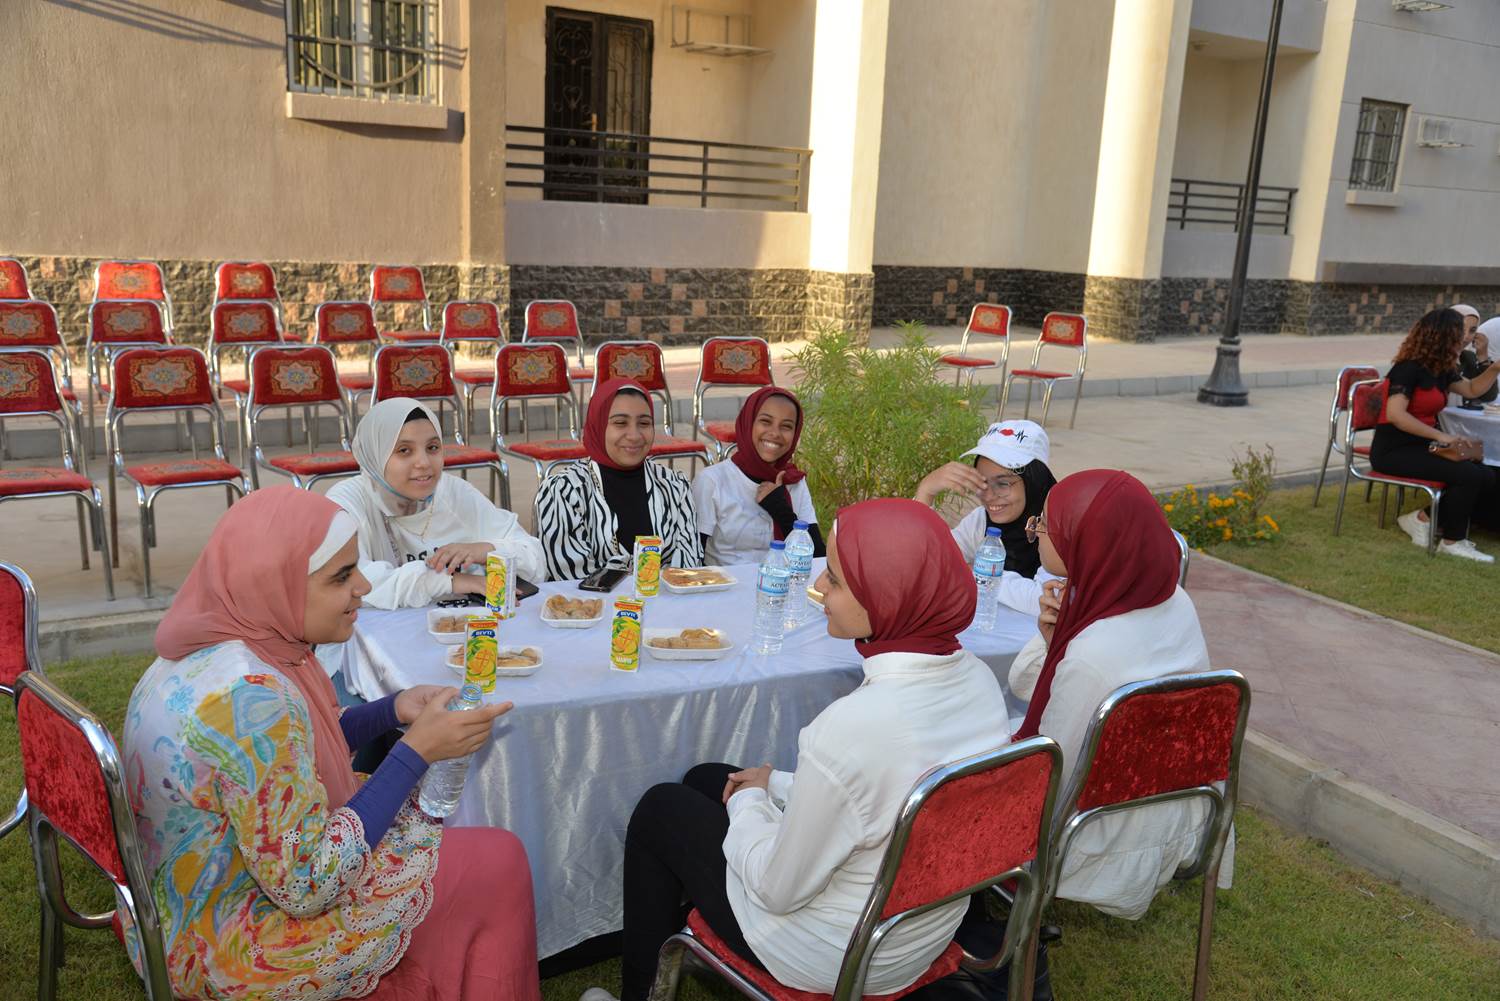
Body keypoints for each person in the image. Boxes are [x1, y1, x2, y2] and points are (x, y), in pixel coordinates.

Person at [121, 487, 540, 1001]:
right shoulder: (251, 698)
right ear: (273, 584)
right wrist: (415, 752)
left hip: (180, 906)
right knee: (498, 860)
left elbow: (285, 755)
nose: (363, 586)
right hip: (232, 942)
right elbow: (308, 881)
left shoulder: (216, 648)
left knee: (467, 845)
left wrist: (391, 710)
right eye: (341, 576)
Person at [589, 499, 1012, 1001]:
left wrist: (749, 804)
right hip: (921, 930)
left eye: (834, 577)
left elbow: (777, 888)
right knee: (709, 776)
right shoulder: (979, 682)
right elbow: (885, 799)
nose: (822, 589)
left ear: (886, 595)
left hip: (833, 951)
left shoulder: (854, 726)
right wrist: (774, 785)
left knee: (662, 808)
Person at [1008, 468, 1231, 920]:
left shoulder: (1095, 654)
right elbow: (1036, 691)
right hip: (1181, 806)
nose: (1036, 533)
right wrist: (1058, 638)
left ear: (1081, 541)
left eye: (1043, 525)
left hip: (1095, 833)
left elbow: (1048, 771)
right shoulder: (1171, 600)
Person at [328, 398, 545, 607]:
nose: (423, 463)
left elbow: (535, 561)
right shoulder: (346, 503)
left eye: (432, 448)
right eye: (404, 451)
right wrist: (451, 581)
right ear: (374, 455)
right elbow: (347, 582)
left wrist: (486, 550)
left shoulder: (453, 492)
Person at [535, 378, 703, 581]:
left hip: (667, 608)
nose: (634, 435)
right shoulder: (564, 490)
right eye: (620, 423)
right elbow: (569, 575)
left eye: (644, 423)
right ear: (598, 425)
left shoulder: (674, 486)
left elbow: (688, 568)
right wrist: (644, 577)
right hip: (592, 610)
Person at [1371, 308, 1500, 561]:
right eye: (1458, 332)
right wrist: (1442, 437)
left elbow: (1472, 389)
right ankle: (1452, 541)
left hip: (1421, 446)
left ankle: (1422, 518)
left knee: (1485, 472)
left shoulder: (1441, 369)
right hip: (1394, 450)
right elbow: (1397, 415)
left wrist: (1495, 368)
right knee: (1469, 475)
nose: (1465, 338)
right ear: (1440, 336)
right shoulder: (1407, 369)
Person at [915, 419, 1061, 614]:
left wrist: (974, 572)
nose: (989, 495)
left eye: (1003, 484)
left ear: (1034, 481)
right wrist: (925, 493)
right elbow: (927, 563)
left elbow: (1047, 600)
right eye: (982, 482)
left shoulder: (1062, 525)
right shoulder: (981, 519)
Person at [692, 386, 824, 566]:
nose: (775, 433)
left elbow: (817, 558)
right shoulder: (712, 481)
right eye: (765, 421)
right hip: (725, 589)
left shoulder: (793, 481)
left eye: (786, 426)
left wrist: (779, 507)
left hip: (780, 588)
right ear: (748, 423)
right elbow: (693, 558)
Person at [1457, 306, 1498, 404]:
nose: (1466, 336)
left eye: (1472, 330)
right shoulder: (1430, 358)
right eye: (1460, 328)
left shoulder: (1468, 357)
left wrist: (1483, 357)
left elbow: (1488, 396)